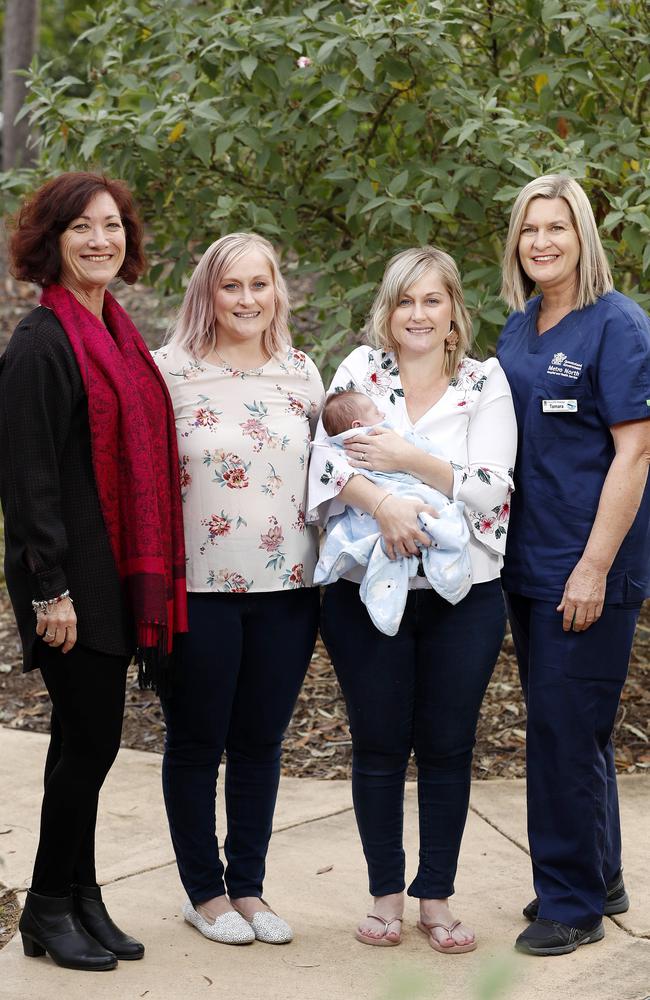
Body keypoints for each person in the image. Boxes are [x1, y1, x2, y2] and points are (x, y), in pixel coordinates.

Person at [0, 172, 188, 972]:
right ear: (52, 241)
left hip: (111, 570)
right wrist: (51, 591)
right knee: (93, 744)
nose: (100, 240)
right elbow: (28, 477)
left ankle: (79, 898)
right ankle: (46, 902)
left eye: (112, 226)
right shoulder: (42, 343)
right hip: (70, 580)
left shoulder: (117, 332)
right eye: (81, 228)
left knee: (80, 740)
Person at [308, 246, 517, 953]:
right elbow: (323, 462)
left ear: (455, 312)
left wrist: (405, 462)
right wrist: (385, 506)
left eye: (433, 300)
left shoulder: (486, 383)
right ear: (388, 311)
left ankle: (436, 897)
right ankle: (385, 896)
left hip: (465, 599)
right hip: (364, 593)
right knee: (377, 745)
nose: (418, 314)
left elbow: (491, 485)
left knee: (449, 747)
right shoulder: (358, 372)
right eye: (405, 300)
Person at [153, 233, 324, 946]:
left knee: (261, 739)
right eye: (231, 286)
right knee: (197, 740)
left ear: (277, 291)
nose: (247, 299)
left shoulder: (302, 373)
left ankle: (248, 888)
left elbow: (331, 476)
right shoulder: (168, 372)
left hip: (288, 588)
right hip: (198, 588)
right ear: (207, 293)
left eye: (260, 284)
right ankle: (204, 892)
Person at [497, 174, 650, 957]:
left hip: (585, 568)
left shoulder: (617, 326)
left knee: (563, 732)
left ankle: (572, 902)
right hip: (527, 566)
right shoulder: (520, 328)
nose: (542, 242)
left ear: (583, 235)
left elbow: (636, 450)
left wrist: (592, 567)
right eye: (530, 229)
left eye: (557, 227)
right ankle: (600, 873)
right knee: (572, 732)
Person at [315, 391, 472, 635]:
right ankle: (445, 569)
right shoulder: (385, 433)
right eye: (376, 412)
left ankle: (382, 589)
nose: (383, 414)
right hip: (395, 493)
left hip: (374, 503)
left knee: (379, 543)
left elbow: (327, 469)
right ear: (358, 425)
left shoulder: (335, 447)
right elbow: (424, 447)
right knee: (439, 515)